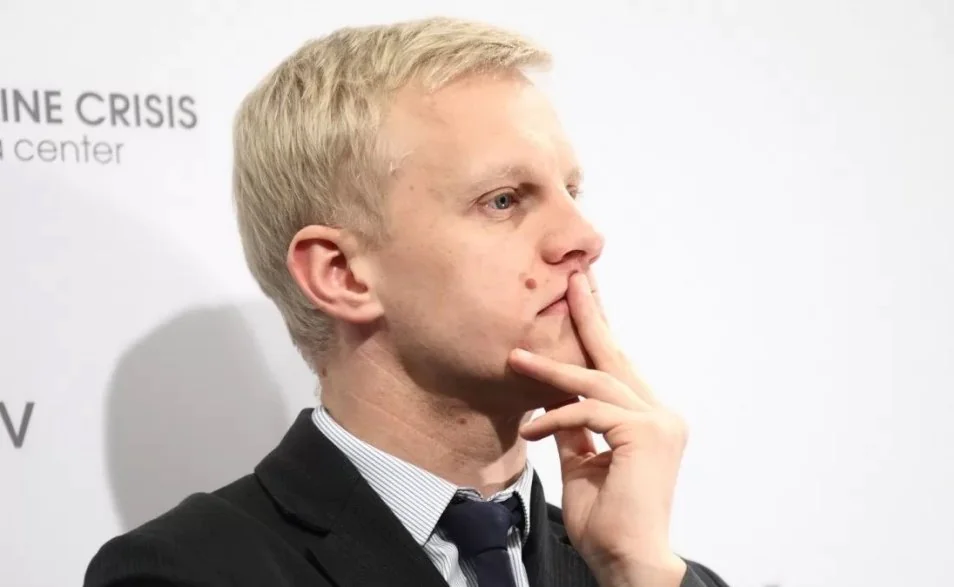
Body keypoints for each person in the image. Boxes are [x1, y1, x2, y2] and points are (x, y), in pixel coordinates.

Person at [84, 16, 729, 587]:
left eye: (572, 191)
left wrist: (639, 575)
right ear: (342, 275)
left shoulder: (643, 569)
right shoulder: (187, 572)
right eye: (504, 200)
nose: (584, 238)